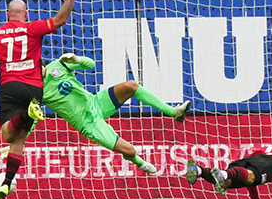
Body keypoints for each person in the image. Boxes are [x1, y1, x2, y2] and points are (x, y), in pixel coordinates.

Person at [0, 0, 79, 199]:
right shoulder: (32, 28)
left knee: (7, 135)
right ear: (25, 13)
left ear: (8, 14)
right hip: (35, 89)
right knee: (18, 141)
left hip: (10, 87)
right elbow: (59, 20)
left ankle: (25, 115)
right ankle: (7, 185)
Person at [36, 52, 190, 177]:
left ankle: (173, 112)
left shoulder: (58, 65)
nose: (37, 72)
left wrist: (77, 59)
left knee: (131, 86)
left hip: (96, 102)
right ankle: (138, 161)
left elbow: (91, 64)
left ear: (43, 65)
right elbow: (33, 116)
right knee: (129, 150)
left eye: (38, 68)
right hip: (88, 123)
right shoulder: (36, 91)